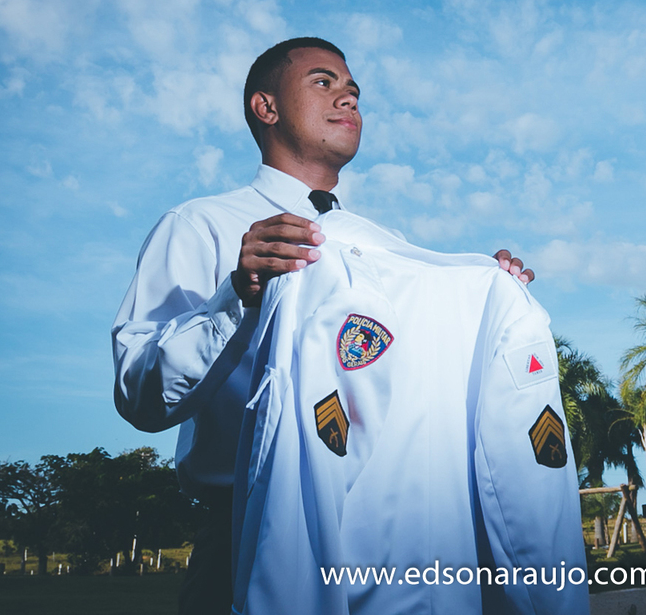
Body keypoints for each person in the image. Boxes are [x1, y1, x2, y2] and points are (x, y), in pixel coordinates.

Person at [112, 37, 535, 615]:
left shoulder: (393, 250)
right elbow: (141, 395)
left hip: (397, 535)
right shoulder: (200, 226)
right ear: (267, 107)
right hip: (248, 529)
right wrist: (238, 295)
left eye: (353, 90)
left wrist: (487, 300)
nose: (348, 98)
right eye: (324, 82)